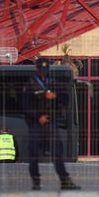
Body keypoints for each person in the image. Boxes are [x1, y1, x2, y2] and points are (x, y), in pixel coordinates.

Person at [21, 59, 79, 190]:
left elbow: (65, 99)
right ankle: (36, 182)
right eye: (41, 71)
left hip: (50, 123)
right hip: (36, 124)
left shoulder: (53, 84)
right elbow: (25, 105)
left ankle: (65, 180)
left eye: (45, 71)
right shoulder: (30, 86)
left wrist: (56, 96)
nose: (43, 74)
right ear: (36, 69)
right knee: (34, 153)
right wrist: (37, 117)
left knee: (57, 152)